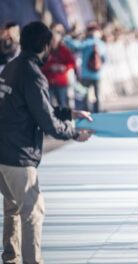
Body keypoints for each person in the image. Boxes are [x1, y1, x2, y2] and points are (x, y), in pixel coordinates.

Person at [0, 21, 93, 264]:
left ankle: (10, 258)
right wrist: (74, 133)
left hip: (3, 151)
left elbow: (35, 107)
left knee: (12, 209)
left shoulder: (11, 67)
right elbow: (47, 122)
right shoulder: (33, 74)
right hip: (19, 154)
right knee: (32, 211)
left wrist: (69, 113)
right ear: (45, 45)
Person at [64, 22, 106, 112]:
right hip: (97, 75)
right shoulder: (102, 44)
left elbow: (75, 45)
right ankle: (98, 113)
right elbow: (105, 59)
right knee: (97, 95)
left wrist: (66, 37)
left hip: (85, 74)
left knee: (84, 95)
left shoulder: (87, 42)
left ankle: (87, 112)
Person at [41, 24, 76, 108]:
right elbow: (39, 65)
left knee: (62, 105)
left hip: (61, 82)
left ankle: (64, 120)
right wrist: (50, 67)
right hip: (48, 82)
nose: (54, 41)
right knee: (48, 105)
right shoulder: (45, 51)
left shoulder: (64, 50)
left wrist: (64, 67)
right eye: (52, 39)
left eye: (56, 39)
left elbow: (72, 63)